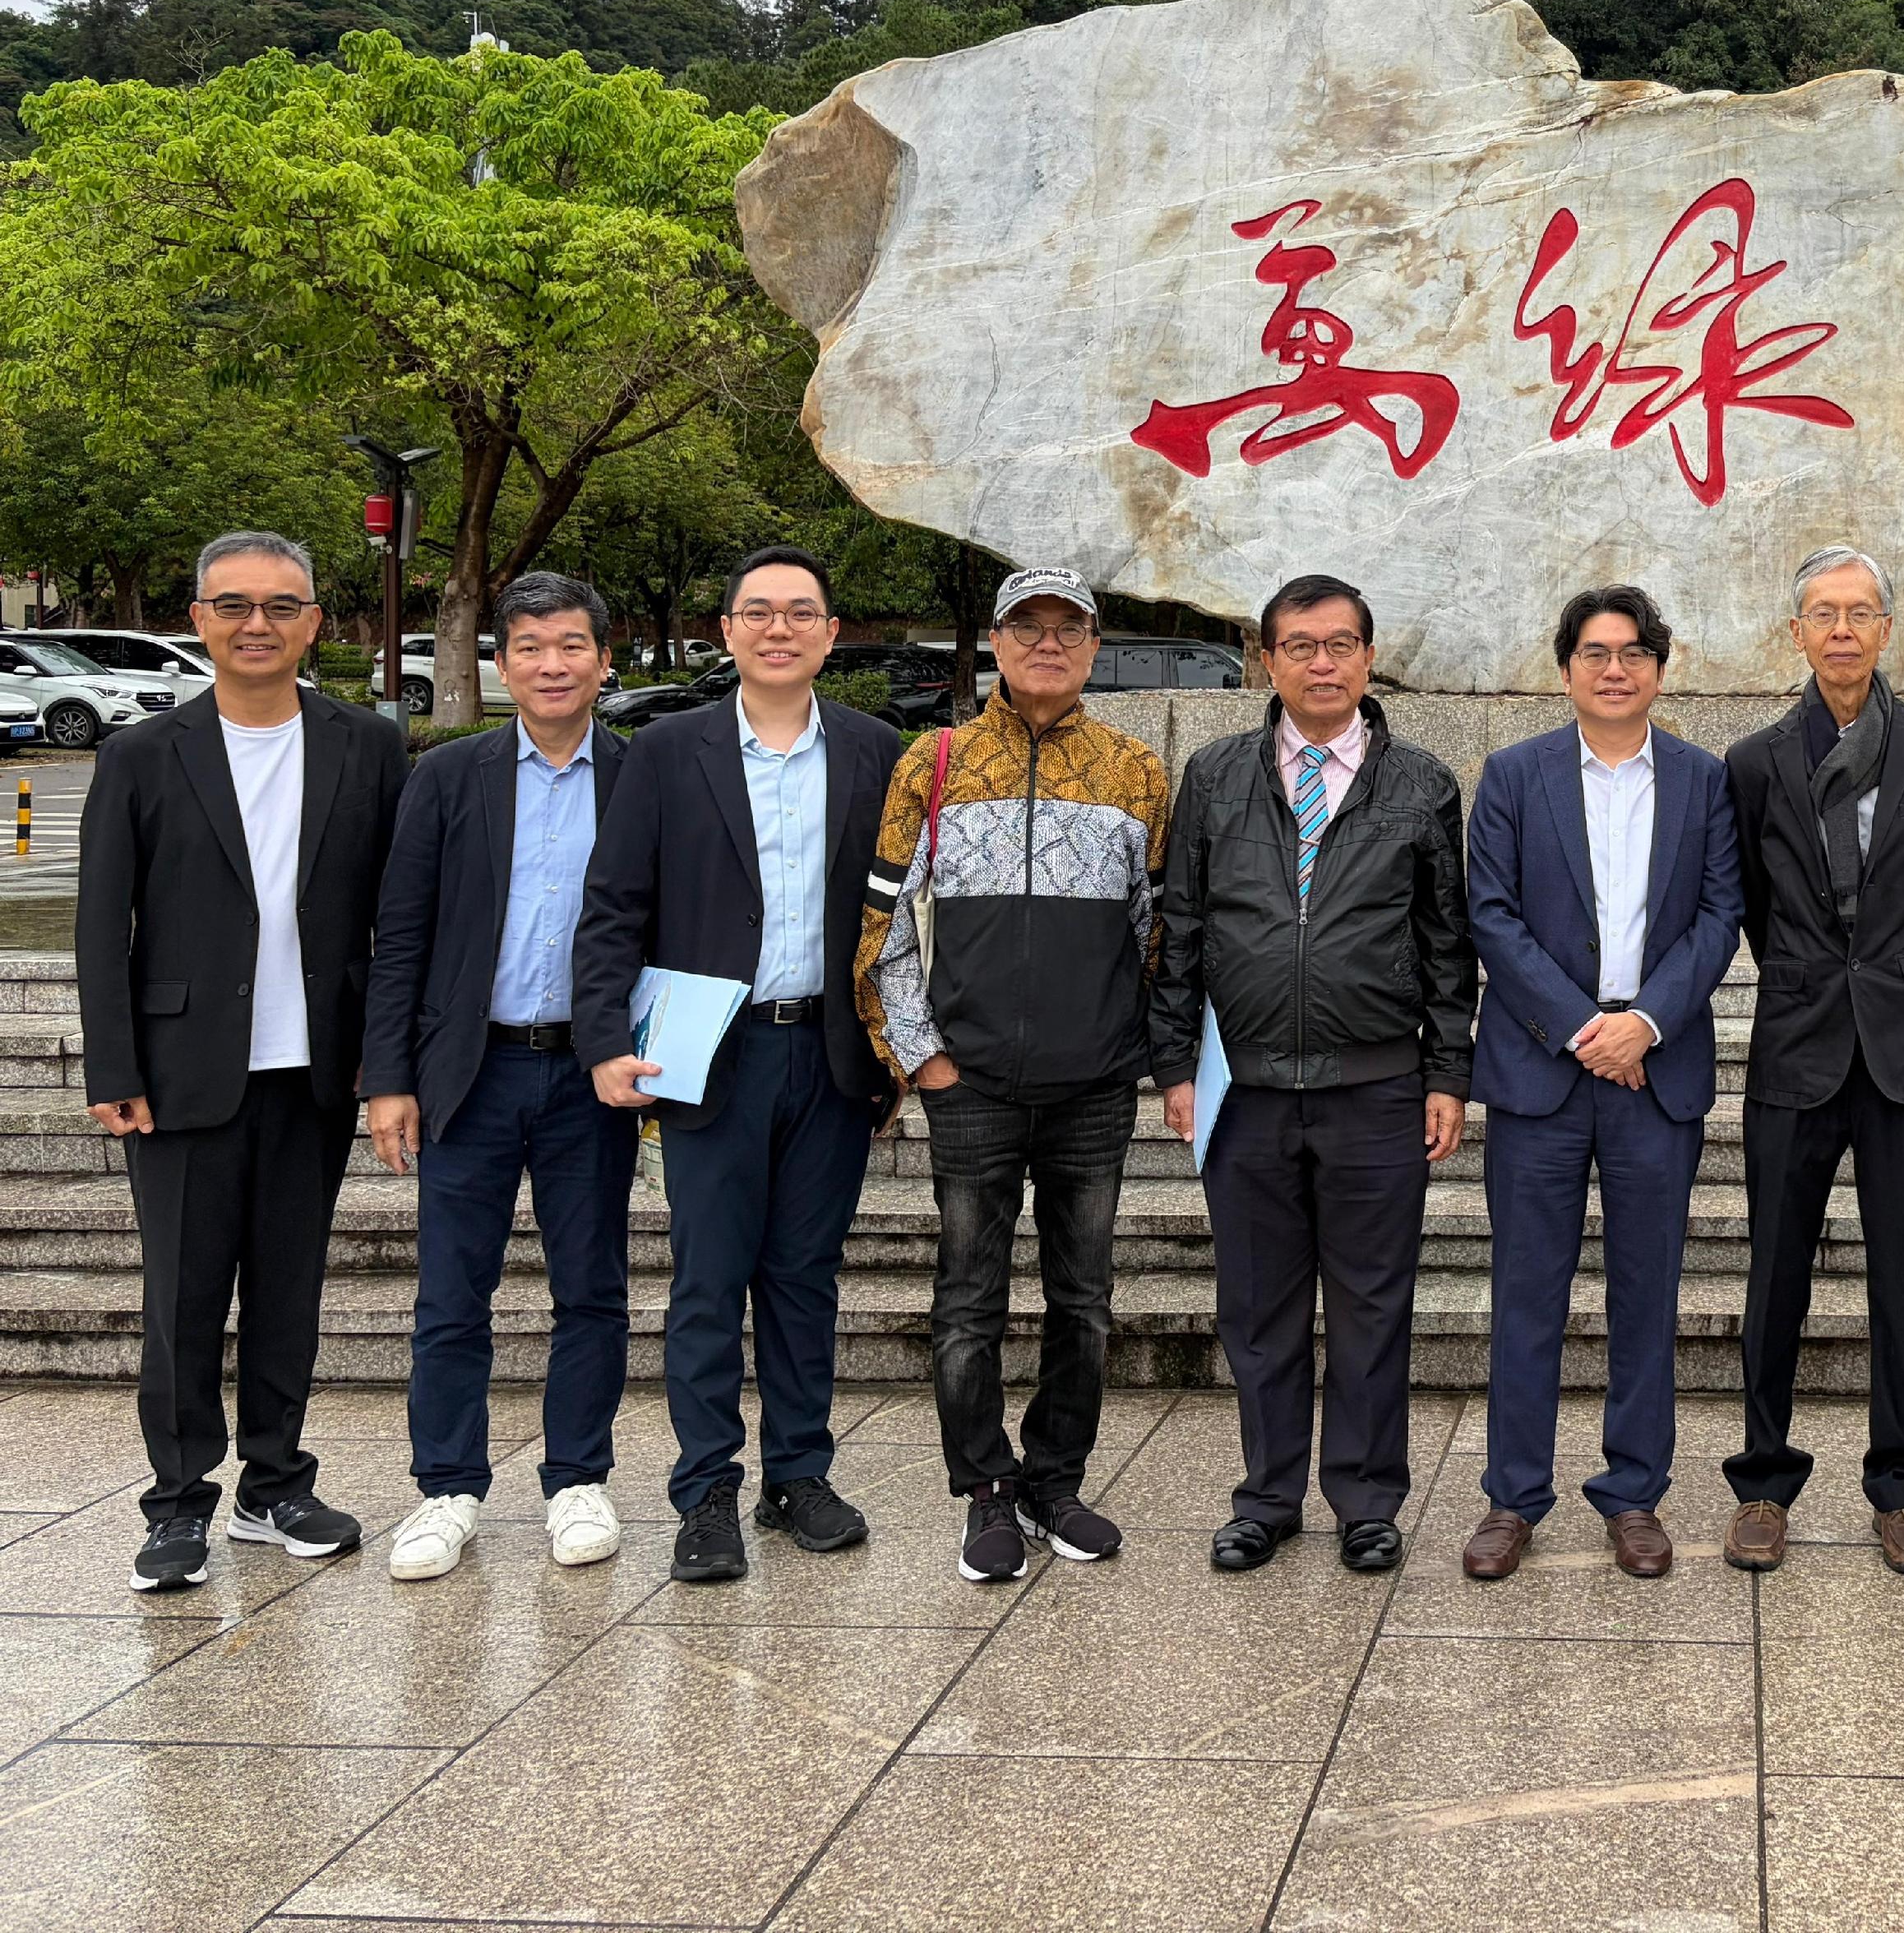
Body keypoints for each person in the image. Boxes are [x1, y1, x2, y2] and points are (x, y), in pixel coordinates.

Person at [77, 530, 407, 1593]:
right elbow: (98, 927)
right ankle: (176, 1506)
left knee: (287, 1292)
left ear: (315, 622)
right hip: (179, 1074)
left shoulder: (365, 746)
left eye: (279, 605)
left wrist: (383, 1054)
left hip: (311, 1070)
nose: (255, 624)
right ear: (199, 619)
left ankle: (276, 1484)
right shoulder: (141, 753)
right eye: (233, 605)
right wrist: (112, 1067)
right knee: (180, 1299)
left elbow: (393, 919)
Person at [574, 545, 899, 1584]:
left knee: (805, 1277)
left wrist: (895, 1050)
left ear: (830, 633)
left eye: (801, 612)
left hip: (831, 1054)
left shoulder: (877, 751)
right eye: (756, 612)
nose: (778, 629)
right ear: (726, 632)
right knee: (710, 1280)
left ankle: (798, 1474)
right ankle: (705, 1487)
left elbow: (904, 918)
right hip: (708, 1050)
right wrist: (603, 1041)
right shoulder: (667, 753)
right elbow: (613, 905)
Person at [1150, 575, 1476, 1575]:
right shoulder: (1213, 776)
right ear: (1267, 661)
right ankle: (1267, 1496)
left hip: (1374, 1087)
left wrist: (1448, 1071)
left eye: (1341, 645)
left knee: (1375, 1304)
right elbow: (1182, 931)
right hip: (1242, 1087)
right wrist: (1173, 1064)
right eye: (1301, 645)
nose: (1322, 663)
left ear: (1369, 659)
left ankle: (1368, 1500)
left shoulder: (1420, 783)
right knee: (1258, 1305)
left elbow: (1445, 944)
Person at [855, 566, 1168, 1585]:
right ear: (994, 640)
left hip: (1091, 1089)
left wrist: (1135, 1051)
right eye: (1025, 626)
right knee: (968, 1299)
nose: (1046, 643)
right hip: (972, 1084)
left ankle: (1054, 1478)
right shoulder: (934, 763)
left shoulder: (1134, 772)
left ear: (1091, 646)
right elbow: (886, 927)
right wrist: (923, 1055)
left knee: (1084, 1299)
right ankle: (984, 1488)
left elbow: (1157, 938)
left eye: (1065, 629)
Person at [1460, 585, 1743, 1582]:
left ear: (1660, 669)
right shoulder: (1513, 774)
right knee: (1525, 1293)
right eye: (1593, 651)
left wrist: (1645, 1023)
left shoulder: (1705, 781)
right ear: (1566, 667)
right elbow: (1490, 915)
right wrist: (1584, 1026)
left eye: (1632, 652)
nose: (1613, 668)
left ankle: (1634, 1495)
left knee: (1645, 1294)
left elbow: (1719, 918)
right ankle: (1512, 1496)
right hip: (1542, 1070)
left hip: (1654, 1073)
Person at [362, 572, 633, 1581]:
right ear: (501, 662)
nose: (550, 664)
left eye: (570, 645)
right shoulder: (450, 777)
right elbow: (401, 940)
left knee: (592, 1290)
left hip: (592, 1076)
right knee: (451, 1295)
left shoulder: (642, 775)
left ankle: (577, 1479)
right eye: (528, 647)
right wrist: (389, 1078)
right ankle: (446, 1489)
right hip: (469, 1074)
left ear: (604, 660)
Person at [1718, 546, 1904, 1575]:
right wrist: (1809, 975)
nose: (1841, 630)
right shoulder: (1753, 760)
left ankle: (1902, 1486)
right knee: (1773, 1270)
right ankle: (1763, 1481)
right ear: (1794, 633)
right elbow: (1750, 900)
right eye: (1821, 613)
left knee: (1902, 1273)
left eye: (1859, 612)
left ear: (1885, 629)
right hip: (1797, 1040)